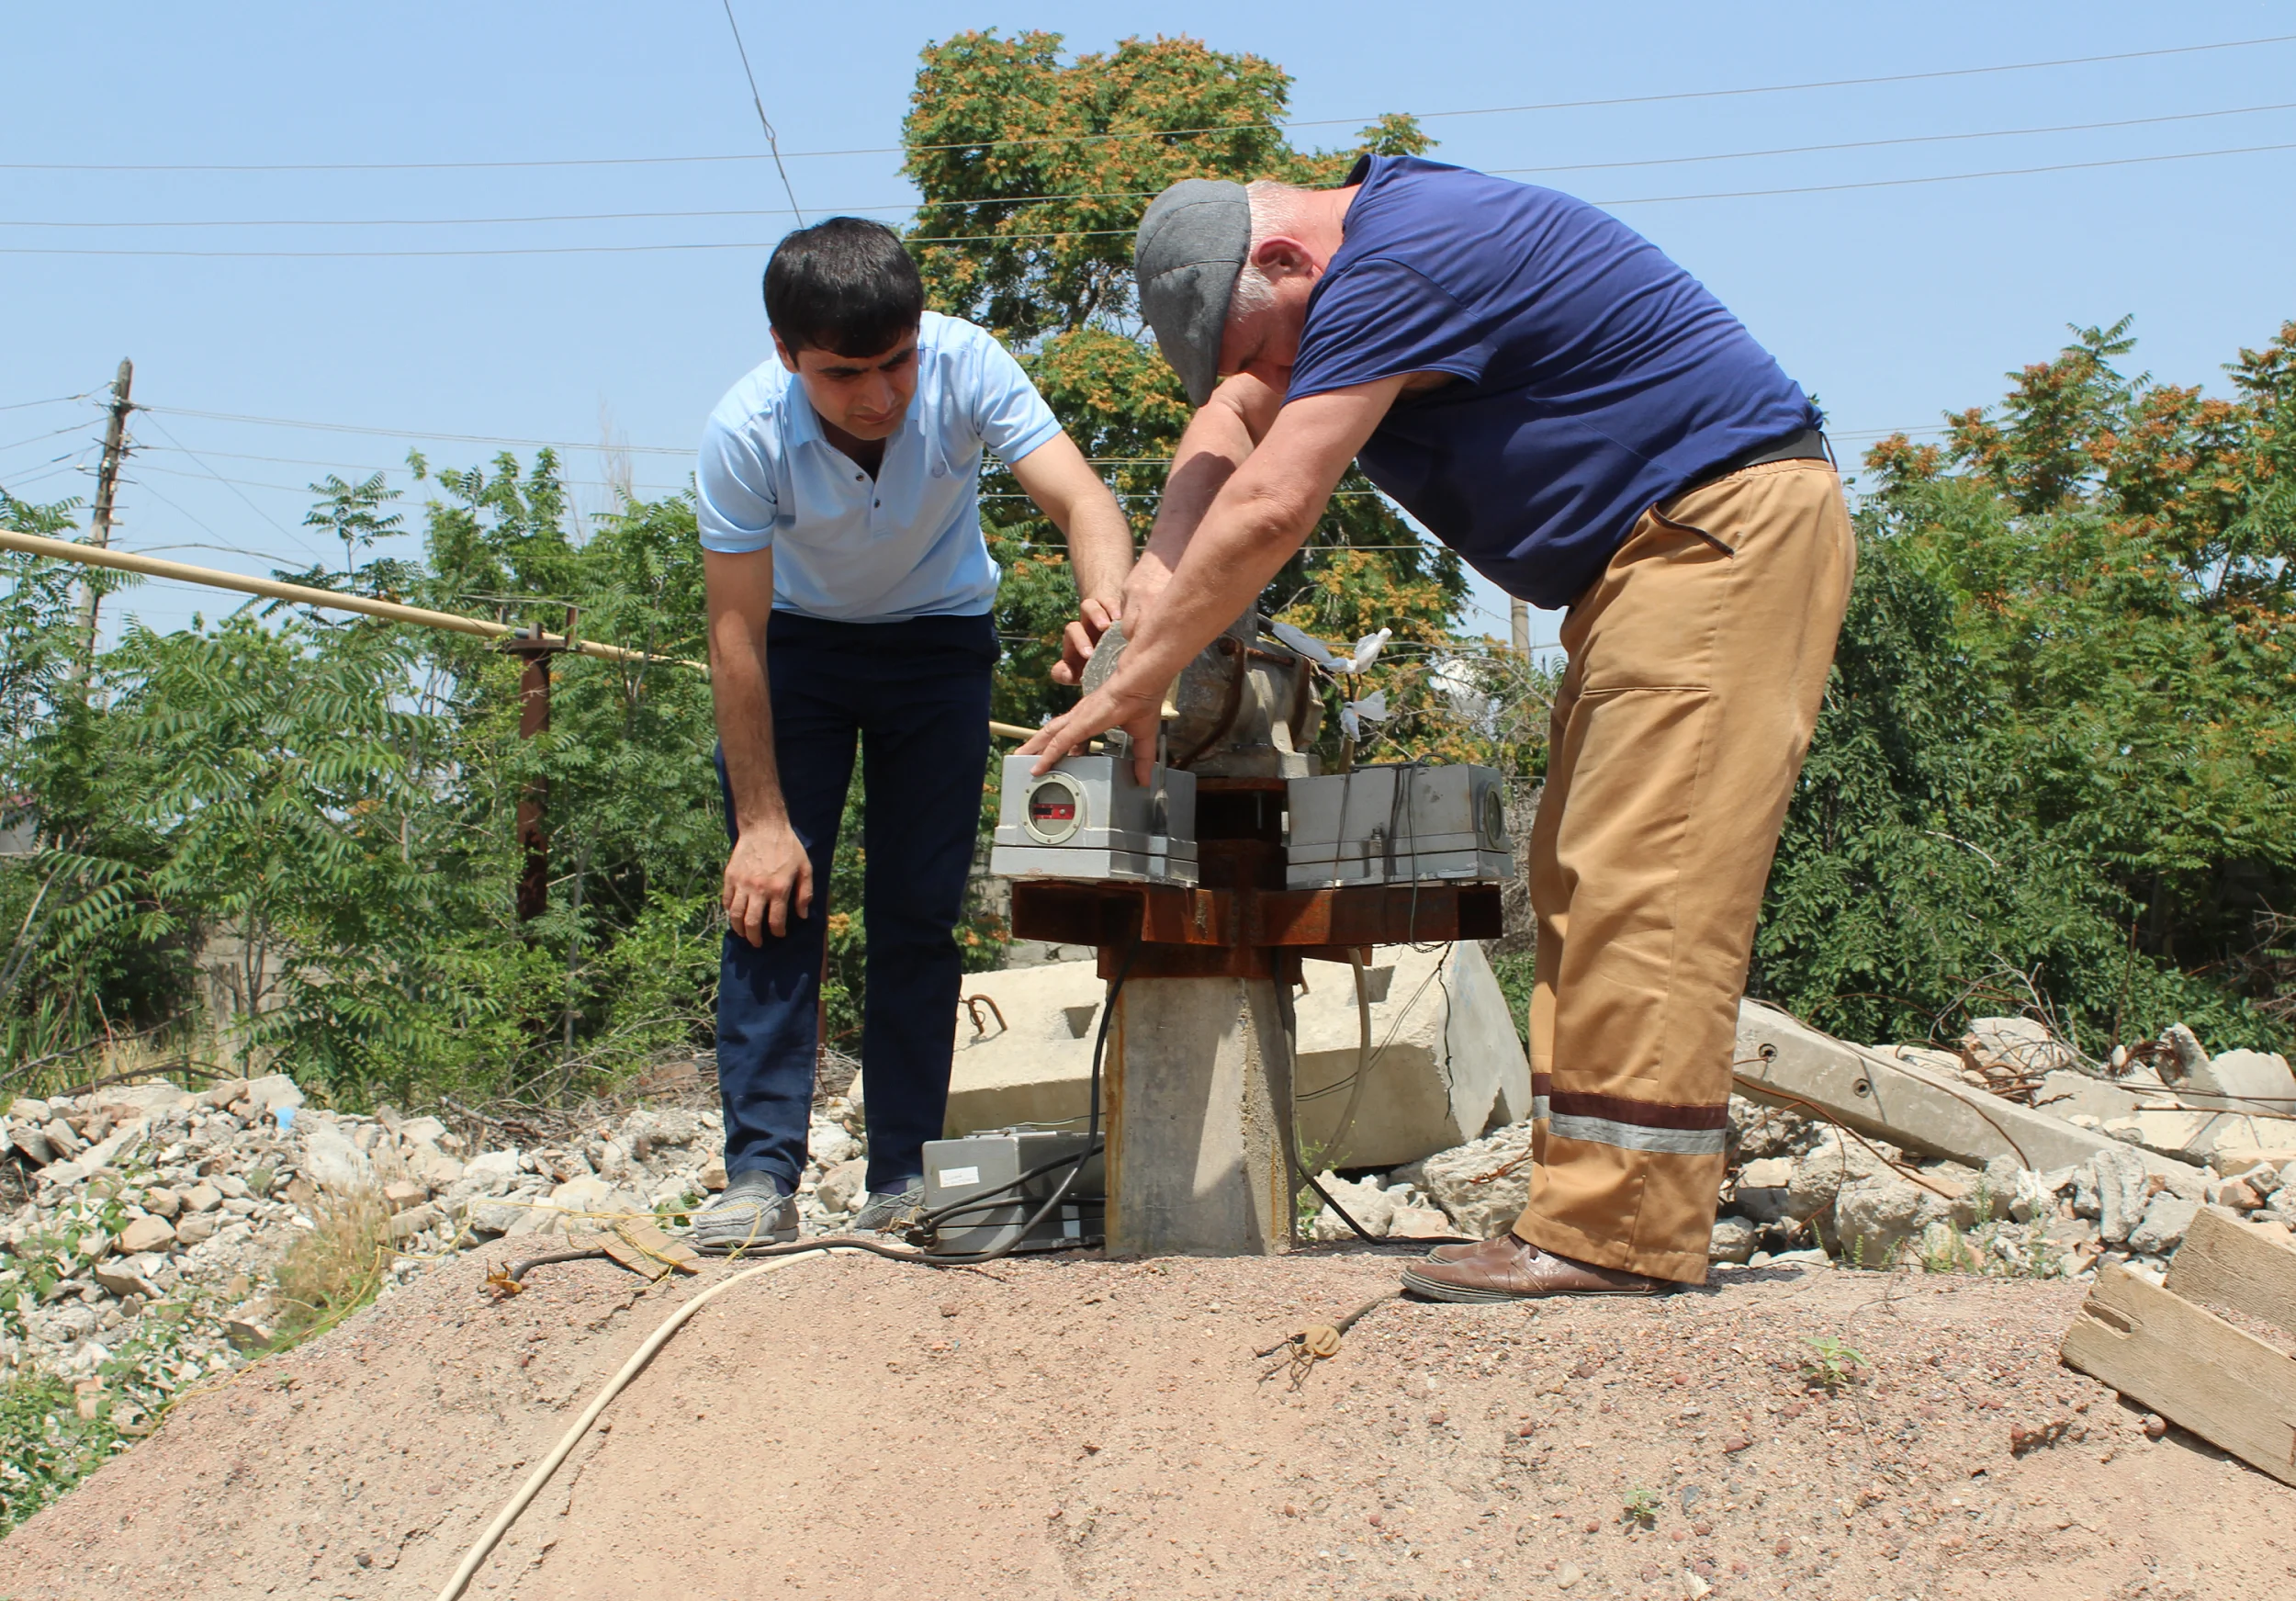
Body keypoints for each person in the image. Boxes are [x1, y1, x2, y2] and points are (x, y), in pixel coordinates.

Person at [1023, 156, 1854, 1299]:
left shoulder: (1398, 255)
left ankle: (1612, 1236)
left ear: (1285, 259)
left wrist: (1143, 673)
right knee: (1580, 871)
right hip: (1658, 557)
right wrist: (1142, 607)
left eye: (1270, 350)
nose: (1278, 380)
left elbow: (1271, 501)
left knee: (1645, 873)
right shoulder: (1340, 274)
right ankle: (1603, 1218)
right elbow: (1226, 428)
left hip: (1714, 535)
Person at [692, 218, 1131, 1250]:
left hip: (938, 645)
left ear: (919, 334)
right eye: (843, 374)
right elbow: (734, 637)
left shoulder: (969, 365)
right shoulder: (743, 432)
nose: (879, 396)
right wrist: (762, 821)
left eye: (896, 362)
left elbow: (1084, 502)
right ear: (786, 353)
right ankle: (759, 1177)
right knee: (771, 904)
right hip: (795, 651)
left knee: (916, 914)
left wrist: (1108, 624)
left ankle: (900, 1176)